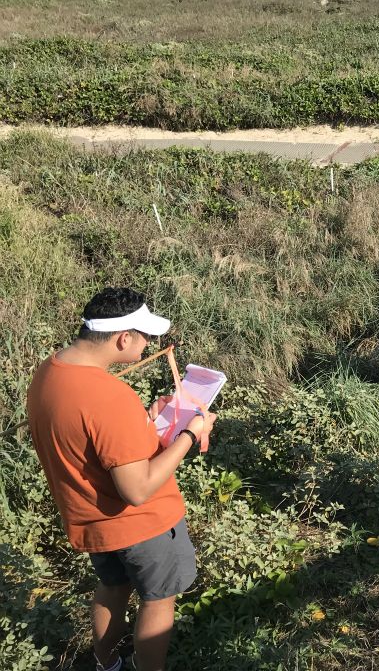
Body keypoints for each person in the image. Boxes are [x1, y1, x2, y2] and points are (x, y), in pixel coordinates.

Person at [27, 287, 216, 671]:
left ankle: (105, 663)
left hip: (93, 520)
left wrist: (146, 422)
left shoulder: (51, 371)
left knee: (113, 587)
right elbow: (137, 489)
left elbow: (89, 441)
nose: (149, 344)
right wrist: (190, 435)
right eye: (145, 336)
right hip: (142, 526)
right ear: (123, 338)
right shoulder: (109, 396)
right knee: (159, 598)